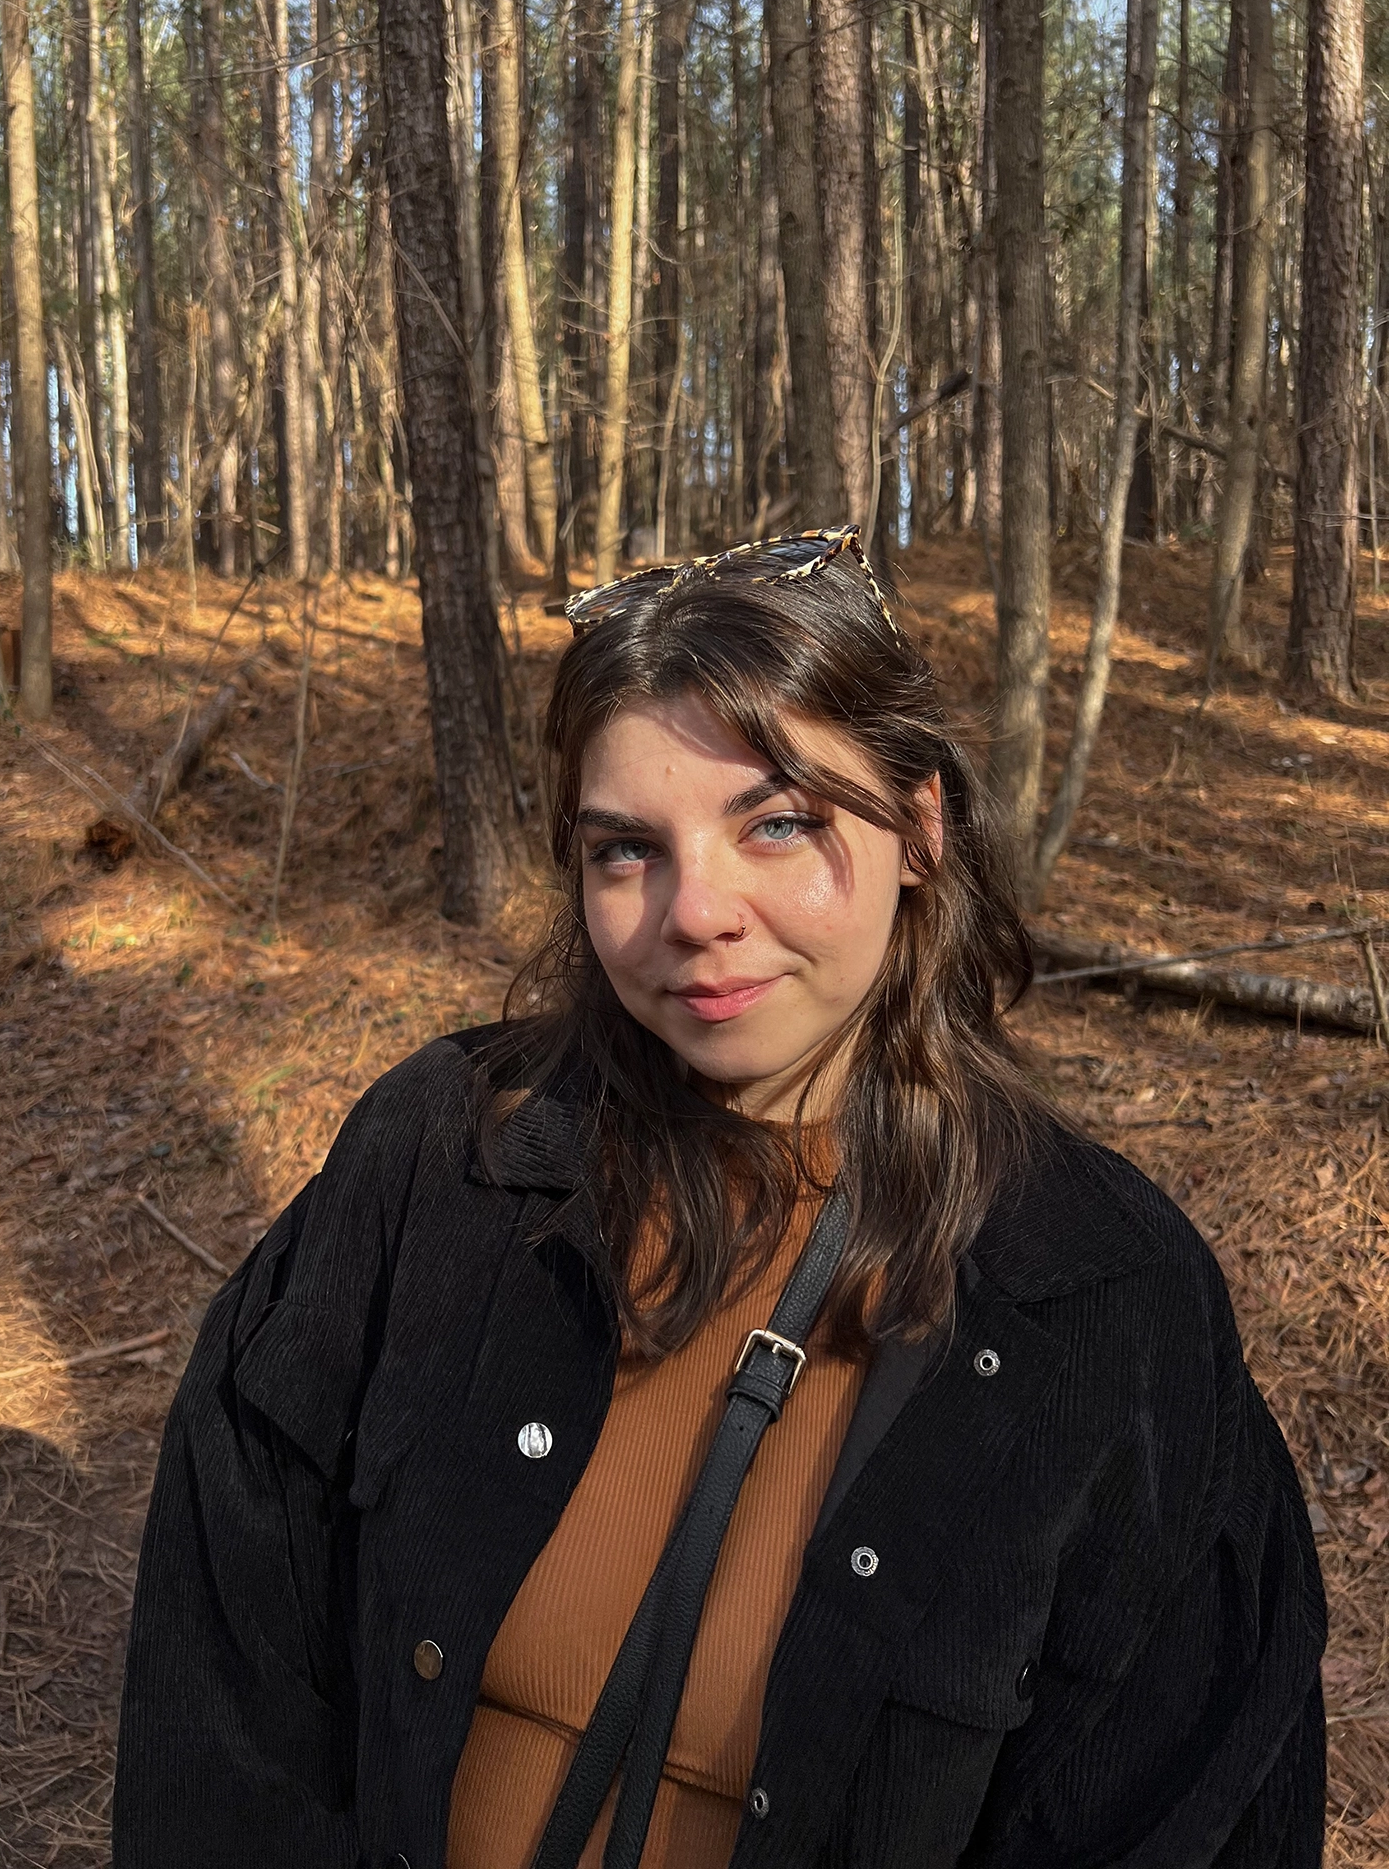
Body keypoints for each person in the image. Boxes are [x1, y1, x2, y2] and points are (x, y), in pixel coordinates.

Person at [114, 528, 1326, 1869]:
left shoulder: (1103, 1305)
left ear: (921, 826)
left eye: (779, 822)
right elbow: (228, 1689)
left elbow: (1180, 1807)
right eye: (627, 850)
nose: (696, 911)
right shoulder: (444, 1164)